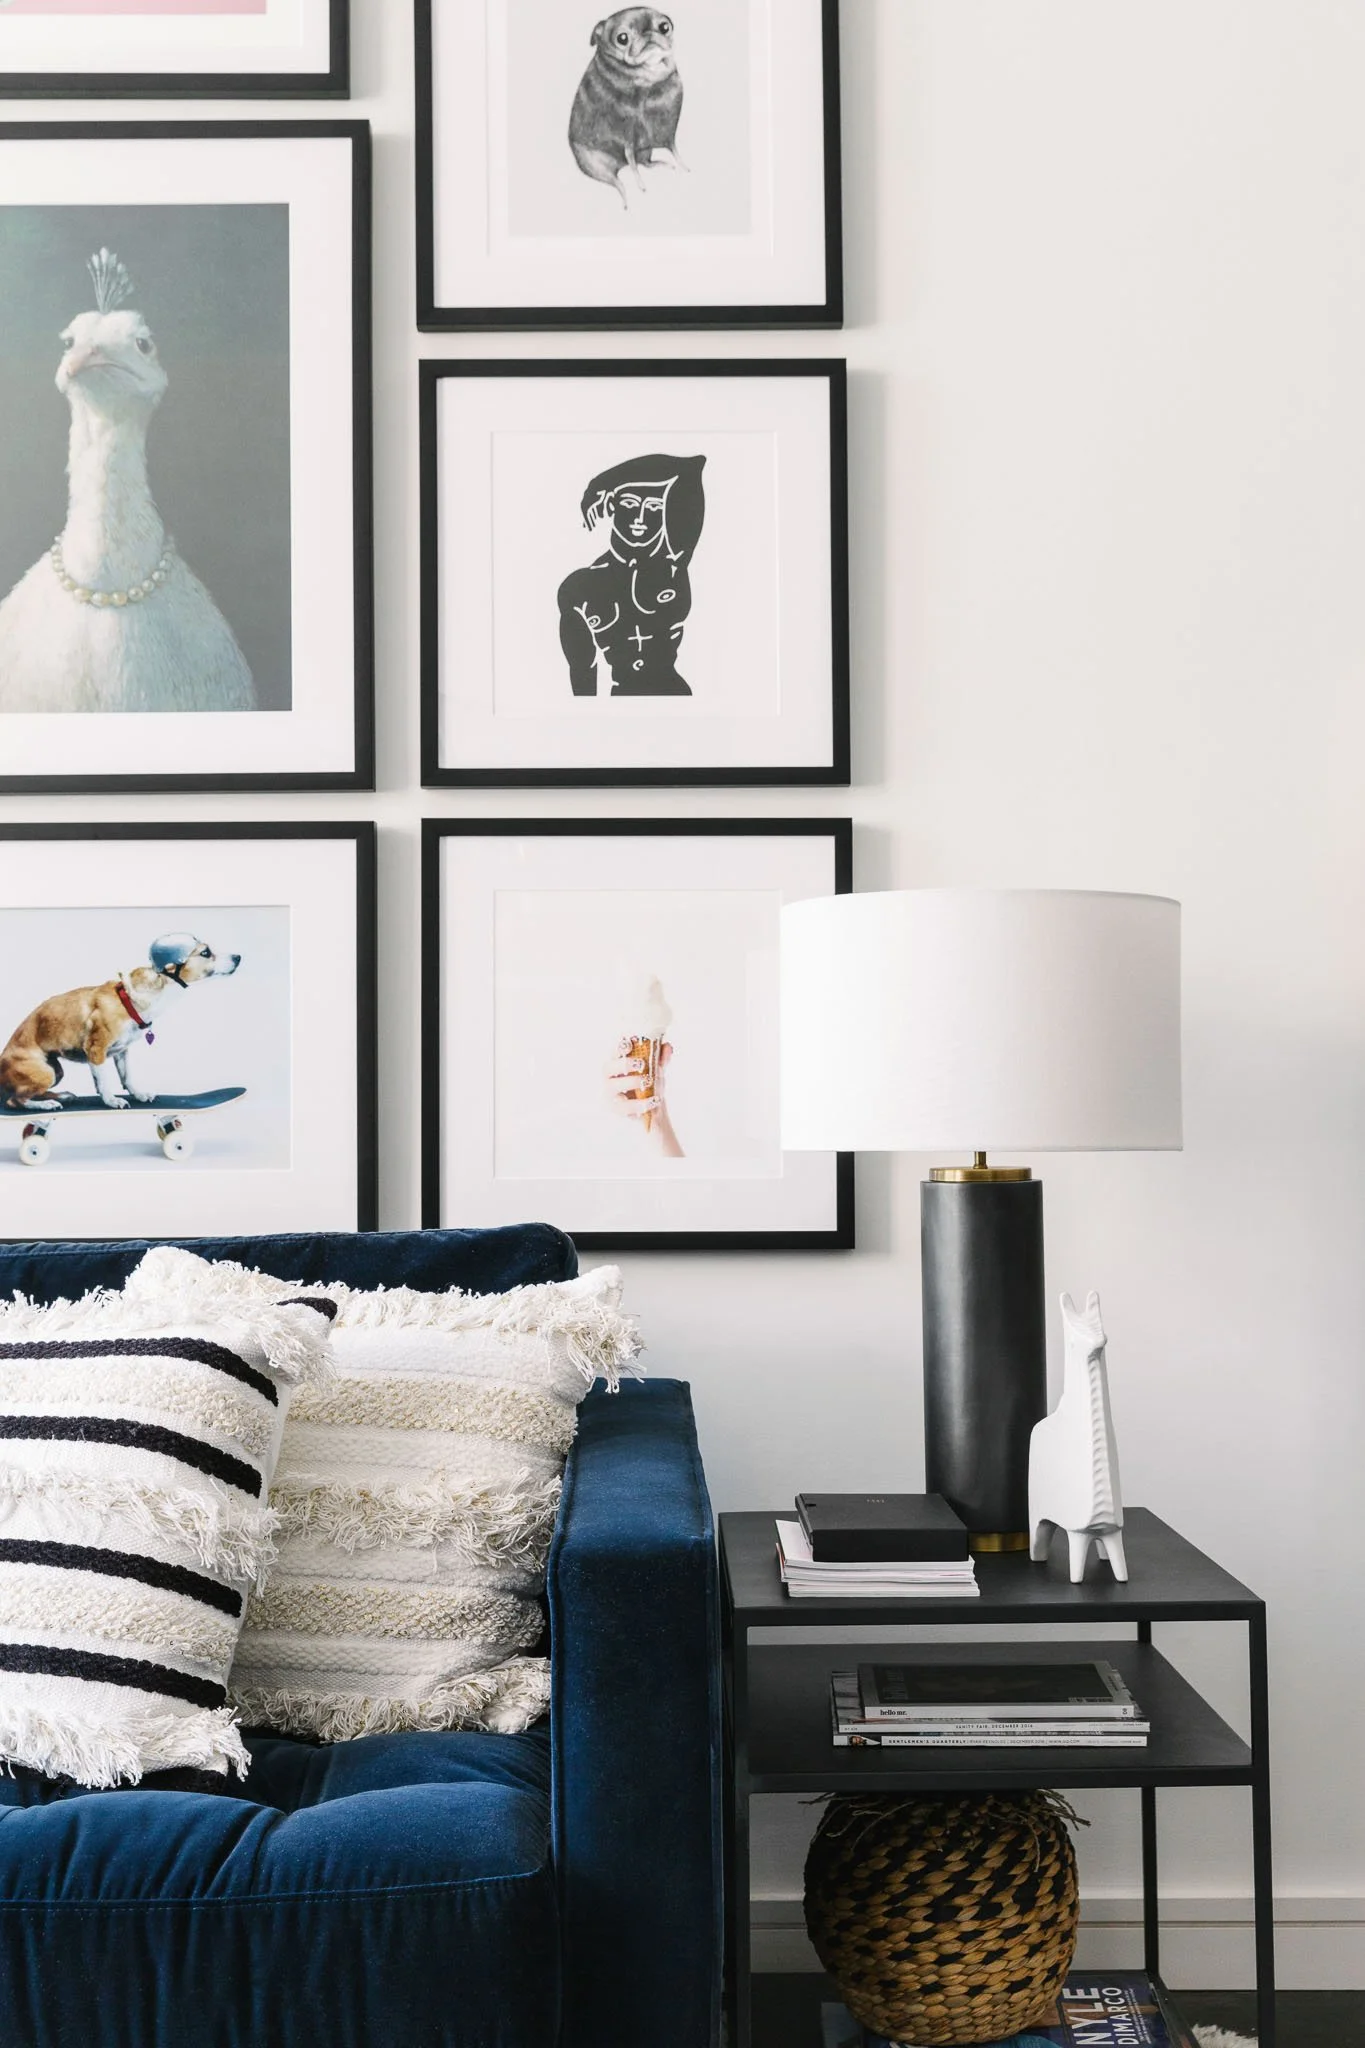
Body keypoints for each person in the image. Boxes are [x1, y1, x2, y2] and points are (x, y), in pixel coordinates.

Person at [557, 452, 706, 697]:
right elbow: (582, 668)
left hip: (676, 696)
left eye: (654, 507)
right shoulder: (582, 585)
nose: (640, 518)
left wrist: (603, 483)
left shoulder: (673, 563)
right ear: (612, 507)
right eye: (629, 505)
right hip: (623, 700)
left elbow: (691, 468)